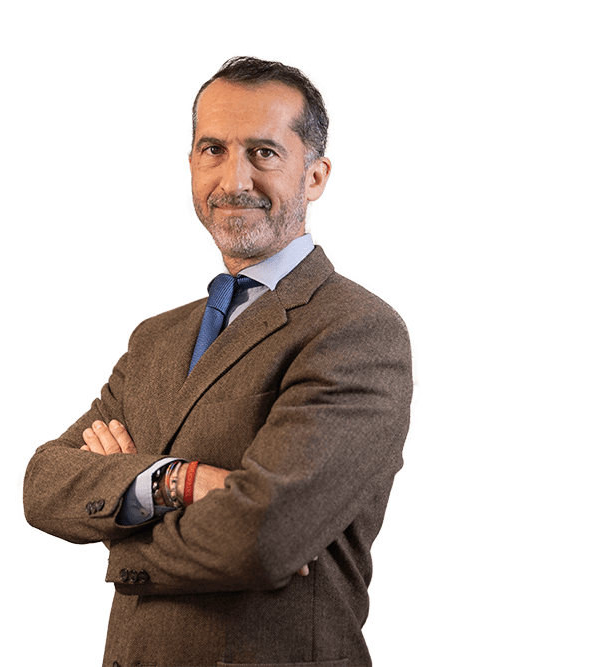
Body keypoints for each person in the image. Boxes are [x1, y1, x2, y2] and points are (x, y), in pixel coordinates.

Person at [21, 54, 416, 667]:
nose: (235, 180)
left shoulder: (355, 329)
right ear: (192, 163)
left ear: (315, 176)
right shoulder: (156, 338)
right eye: (213, 150)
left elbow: (264, 536)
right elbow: (44, 484)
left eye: (264, 152)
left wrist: (121, 540)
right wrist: (176, 480)